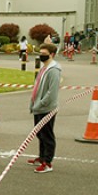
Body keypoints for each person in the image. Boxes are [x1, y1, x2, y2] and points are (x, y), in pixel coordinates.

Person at [29, 43, 62, 173]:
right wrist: (33, 103)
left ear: (52, 55)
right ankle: (42, 157)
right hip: (38, 107)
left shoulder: (53, 71)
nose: (41, 56)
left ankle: (47, 162)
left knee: (47, 135)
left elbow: (51, 92)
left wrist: (41, 103)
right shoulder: (44, 68)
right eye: (40, 53)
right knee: (39, 133)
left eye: (44, 54)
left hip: (46, 108)